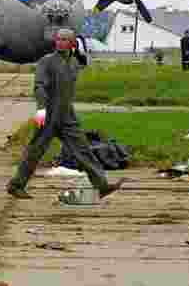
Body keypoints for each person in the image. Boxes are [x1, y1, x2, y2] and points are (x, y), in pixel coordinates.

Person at [7, 28, 128, 200]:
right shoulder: (46, 62)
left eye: (65, 39)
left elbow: (79, 69)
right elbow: (39, 87)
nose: (60, 42)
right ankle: (16, 185)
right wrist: (41, 110)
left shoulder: (74, 63)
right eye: (58, 39)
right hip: (48, 115)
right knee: (35, 152)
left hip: (67, 116)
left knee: (83, 150)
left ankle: (101, 185)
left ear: (72, 43)